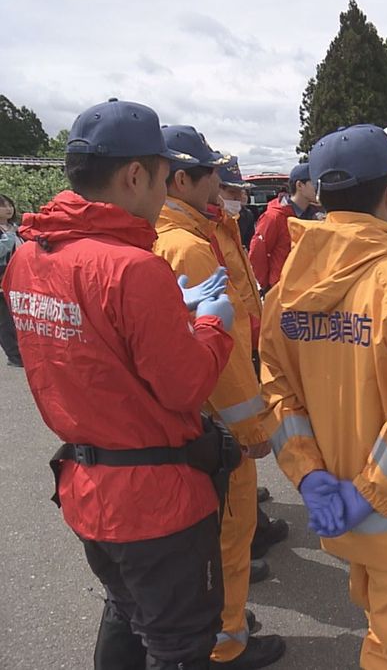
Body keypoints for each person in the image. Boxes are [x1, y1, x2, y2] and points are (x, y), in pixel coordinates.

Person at [2, 99, 236, 669]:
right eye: (161, 176)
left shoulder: (30, 254)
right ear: (135, 174)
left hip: (86, 487)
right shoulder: (133, 268)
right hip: (156, 500)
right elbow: (184, 387)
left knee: (127, 615)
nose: (165, 192)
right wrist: (210, 325)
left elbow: (42, 347)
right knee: (179, 644)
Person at [260, 124, 387, 669]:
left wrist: (309, 477)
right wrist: (369, 494)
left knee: (380, 629)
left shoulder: (287, 292)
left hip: (335, 511)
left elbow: (278, 391)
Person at [154, 126, 286, 669]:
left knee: (212, 534)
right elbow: (221, 348)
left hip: (195, 411)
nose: (223, 182)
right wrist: (253, 430)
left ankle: (219, 621)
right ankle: (227, 642)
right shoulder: (185, 246)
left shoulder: (189, 229)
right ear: (183, 179)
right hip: (218, 415)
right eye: (213, 173)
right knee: (231, 533)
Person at [250, 163, 318, 292]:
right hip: (281, 290)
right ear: (299, 185)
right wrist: (268, 286)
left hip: (308, 289)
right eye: (314, 183)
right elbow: (257, 253)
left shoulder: (316, 215)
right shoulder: (274, 217)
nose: (318, 188)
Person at [0, 193, 23, 367]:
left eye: (9, 205)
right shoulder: (7, 232)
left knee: (17, 317)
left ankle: (21, 351)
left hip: (17, 276)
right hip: (2, 275)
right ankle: (14, 355)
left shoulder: (16, 228)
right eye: (3, 206)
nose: (8, 209)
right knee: (5, 319)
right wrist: (8, 238)